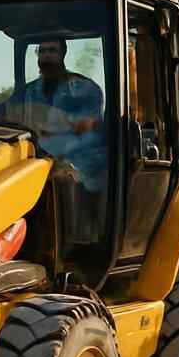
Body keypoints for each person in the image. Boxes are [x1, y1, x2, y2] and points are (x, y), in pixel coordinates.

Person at [15, 37, 107, 243]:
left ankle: (80, 242)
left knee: (66, 181)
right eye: (43, 51)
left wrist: (56, 149)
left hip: (81, 161)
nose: (47, 55)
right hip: (38, 162)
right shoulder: (28, 92)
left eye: (52, 51)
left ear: (63, 54)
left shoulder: (85, 89)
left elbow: (87, 131)